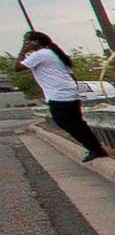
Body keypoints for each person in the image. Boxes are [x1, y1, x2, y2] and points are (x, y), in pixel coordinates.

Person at [18, 31, 105, 160]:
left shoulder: (40, 54)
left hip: (58, 95)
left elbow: (17, 68)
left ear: (35, 42)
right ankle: (95, 148)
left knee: (64, 122)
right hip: (68, 92)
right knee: (77, 123)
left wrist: (22, 51)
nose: (26, 44)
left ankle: (95, 148)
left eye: (27, 41)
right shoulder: (54, 53)